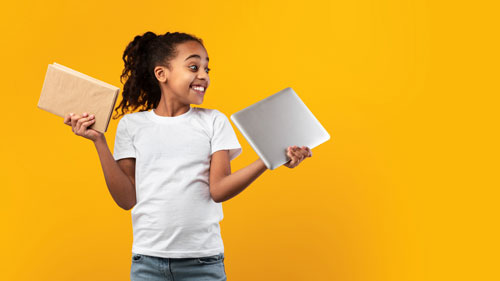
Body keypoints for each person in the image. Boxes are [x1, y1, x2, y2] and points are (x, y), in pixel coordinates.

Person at [63, 31, 312, 281]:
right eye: (194, 66)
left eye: (206, 68)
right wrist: (99, 142)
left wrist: (268, 159)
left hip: (203, 262)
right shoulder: (131, 126)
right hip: (147, 261)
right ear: (162, 74)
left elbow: (219, 190)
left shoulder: (214, 121)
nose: (203, 75)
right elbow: (127, 199)